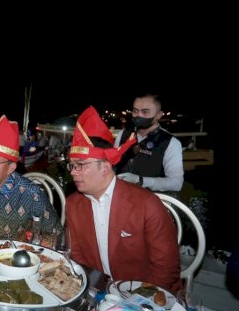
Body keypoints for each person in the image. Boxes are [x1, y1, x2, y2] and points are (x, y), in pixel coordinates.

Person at [66, 106, 183, 292]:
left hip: (147, 295)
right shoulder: (73, 203)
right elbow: (77, 257)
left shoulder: (146, 204)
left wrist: (135, 300)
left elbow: (166, 269)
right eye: (71, 166)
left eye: (80, 165)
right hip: (99, 290)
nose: (73, 172)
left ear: (104, 167)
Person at [114, 93, 184, 196]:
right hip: (121, 197)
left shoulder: (170, 143)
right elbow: (113, 164)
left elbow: (176, 183)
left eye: (145, 112)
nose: (139, 116)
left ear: (158, 115)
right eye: (135, 111)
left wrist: (141, 181)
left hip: (152, 201)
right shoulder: (123, 134)